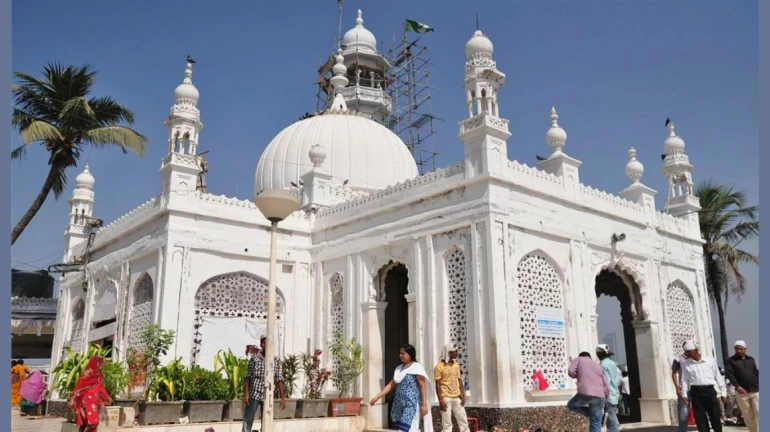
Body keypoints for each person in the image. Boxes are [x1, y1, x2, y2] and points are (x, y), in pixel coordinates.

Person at [369, 344, 435, 432]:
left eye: (403, 353)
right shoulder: (399, 369)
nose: (400, 355)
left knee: (409, 429)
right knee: (404, 429)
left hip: (412, 404)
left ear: (410, 354)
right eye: (400, 353)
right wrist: (377, 397)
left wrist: (424, 405)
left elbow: (422, 385)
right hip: (400, 405)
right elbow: (390, 385)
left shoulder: (417, 367)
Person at [680, 340, 726, 432]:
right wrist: (684, 394)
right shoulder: (687, 364)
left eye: (689, 352)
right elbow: (684, 380)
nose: (687, 354)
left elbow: (718, 377)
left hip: (709, 391)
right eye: (686, 352)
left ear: (695, 350)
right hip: (696, 392)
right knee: (700, 419)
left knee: (715, 417)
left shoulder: (709, 361)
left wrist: (723, 393)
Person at [242, 337, 286, 432]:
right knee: (248, 418)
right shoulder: (255, 359)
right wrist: (246, 394)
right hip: (255, 393)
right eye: (265, 343)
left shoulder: (276, 361)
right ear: (261, 344)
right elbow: (248, 377)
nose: (268, 345)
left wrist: (282, 397)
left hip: (268, 394)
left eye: (270, 343)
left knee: (266, 419)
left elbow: (279, 379)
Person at [567, 352, 609, 432]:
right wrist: (605, 399)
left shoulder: (578, 359)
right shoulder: (598, 366)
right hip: (600, 395)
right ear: (590, 358)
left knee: (571, 405)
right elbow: (606, 385)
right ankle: (595, 415)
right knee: (596, 422)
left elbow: (571, 370)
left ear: (581, 356)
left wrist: (577, 375)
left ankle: (593, 414)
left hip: (585, 393)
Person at [68, 356, 112, 432]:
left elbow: (101, 387)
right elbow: (79, 387)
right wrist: (73, 398)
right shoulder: (88, 373)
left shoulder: (99, 375)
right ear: (96, 363)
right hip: (86, 401)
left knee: (89, 423)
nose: (102, 366)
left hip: (95, 402)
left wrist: (107, 397)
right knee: (92, 422)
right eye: (101, 364)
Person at [434, 343, 469, 432]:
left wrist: (463, 395)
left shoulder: (456, 365)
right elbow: (437, 384)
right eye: (455, 351)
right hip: (445, 398)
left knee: (463, 421)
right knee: (447, 424)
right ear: (449, 352)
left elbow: (460, 381)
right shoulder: (439, 366)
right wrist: (440, 400)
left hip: (457, 397)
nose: (457, 353)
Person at [724, 340, 759, 432]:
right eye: (737, 349)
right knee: (748, 415)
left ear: (745, 349)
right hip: (742, 392)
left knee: (759, 412)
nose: (739, 350)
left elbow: (755, 373)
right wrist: (737, 386)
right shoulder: (730, 361)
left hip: (755, 390)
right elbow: (730, 374)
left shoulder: (751, 360)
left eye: (741, 349)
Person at [596, 345, 620, 432]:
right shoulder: (612, 364)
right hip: (614, 393)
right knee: (612, 417)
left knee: (611, 419)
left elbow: (606, 381)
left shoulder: (602, 365)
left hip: (608, 394)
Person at [671, 341, 691, 432]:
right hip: (684, 389)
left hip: (697, 387)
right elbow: (674, 373)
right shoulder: (679, 359)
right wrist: (677, 388)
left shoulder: (697, 358)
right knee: (683, 411)